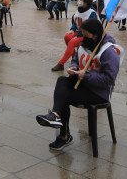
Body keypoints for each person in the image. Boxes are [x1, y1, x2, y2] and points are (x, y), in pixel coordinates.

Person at [35, 18, 121, 150]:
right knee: (62, 81)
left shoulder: (108, 52)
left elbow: (108, 79)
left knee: (64, 96)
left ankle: (64, 135)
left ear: (95, 35)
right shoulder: (85, 44)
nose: (83, 37)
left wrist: (87, 76)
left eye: (86, 35)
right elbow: (75, 59)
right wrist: (74, 68)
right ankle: (56, 115)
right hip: (84, 84)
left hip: (98, 93)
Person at [52, 0, 98, 71]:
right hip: (80, 33)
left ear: (86, 3)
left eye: (81, 0)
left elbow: (90, 27)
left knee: (72, 42)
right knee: (67, 36)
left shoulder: (91, 13)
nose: (79, 1)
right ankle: (75, 58)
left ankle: (61, 64)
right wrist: (72, 29)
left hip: (89, 36)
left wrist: (78, 35)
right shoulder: (79, 10)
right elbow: (75, 21)